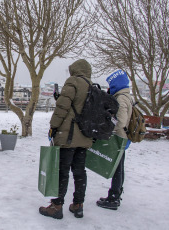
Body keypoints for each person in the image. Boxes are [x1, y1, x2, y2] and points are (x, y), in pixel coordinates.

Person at [39, 59, 93, 219]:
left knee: (61, 172)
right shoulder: (91, 85)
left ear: (75, 70)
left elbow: (62, 108)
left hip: (68, 137)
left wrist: (53, 126)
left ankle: (56, 206)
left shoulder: (73, 82)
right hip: (85, 137)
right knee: (79, 172)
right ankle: (78, 205)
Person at [96, 70, 132, 210]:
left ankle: (113, 198)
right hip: (122, 137)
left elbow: (121, 122)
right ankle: (115, 195)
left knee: (117, 168)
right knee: (119, 167)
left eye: (111, 84)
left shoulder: (121, 98)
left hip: (119, 137)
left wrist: (108, 128)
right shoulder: (125, 95)